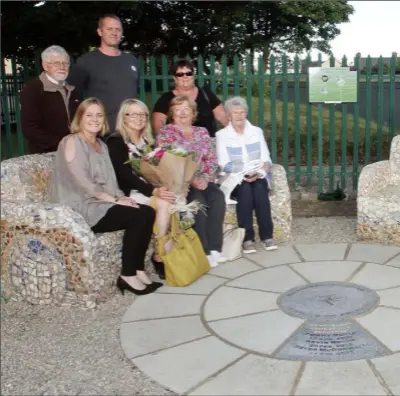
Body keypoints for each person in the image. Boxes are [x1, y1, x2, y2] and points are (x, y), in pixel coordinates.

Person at [49, 98, 162, 295]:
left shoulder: (101, 145)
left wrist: (121, 197)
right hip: (80, 206)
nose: (95, 119)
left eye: (99, 115)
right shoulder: (71, 141)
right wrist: (114, 200)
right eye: (89, 115)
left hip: (101, 203)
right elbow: (81, 182)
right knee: (138, 215)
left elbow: (111, 180)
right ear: (80, 118)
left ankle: (137, 270)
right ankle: (127, 275)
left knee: (146, 211)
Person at [106, 99, 176, 279]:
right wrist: (153, 191)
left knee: (176, 200)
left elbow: (159, 170)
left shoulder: (149, 143)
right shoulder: (116, 142)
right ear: (124, 117)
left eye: (142, 114)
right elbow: (124, 174)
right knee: (164, 204)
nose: (139, 118)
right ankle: (159, 256)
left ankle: (169, 253)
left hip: (150, 189)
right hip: (129, 193)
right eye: (133, 114)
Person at [156, 95, 226, 268]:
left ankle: (216, 248)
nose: (182, 113)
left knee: (217, 198)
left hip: (204, 179)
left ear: (193, 112)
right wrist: (192, 179)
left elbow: (211, 158)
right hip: (182, 184)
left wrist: (205, 178)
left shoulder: (202, 132)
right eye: (177, 109)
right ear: (172, 113)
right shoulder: (166, 133)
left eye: (186, 109)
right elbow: (167, 161)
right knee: (198, 203)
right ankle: (204, 251)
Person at [216, 96, 278, 254]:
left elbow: (266, 159)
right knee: (244, 190)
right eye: (235, 112)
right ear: (229, 115)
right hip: (235, 178)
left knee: (259, 188)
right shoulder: (222, 135)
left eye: (242, 112)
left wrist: (259, 172)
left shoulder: (256, 132)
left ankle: (267, 236)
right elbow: (224, 163)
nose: (239, 116)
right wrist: (244, 170)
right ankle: (247, 238)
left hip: (257, 175)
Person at [67, 14, 140, 130]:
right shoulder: (86, 62)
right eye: (109, 29)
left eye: (118, 29)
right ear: (100, 32)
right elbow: (72, 96)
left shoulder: (131, 61)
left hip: (130, 129)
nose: (114, 33)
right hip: (102, 131)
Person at [20, 45, 81, 154]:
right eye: (57, 63)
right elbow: (30, 128)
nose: (62, 67)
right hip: (45, 155)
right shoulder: (33, 90)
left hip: (74, 153)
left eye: (65, 63)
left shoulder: (73, 91)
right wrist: (61, 144)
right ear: (45, 65)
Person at [152, 59, 228, 139]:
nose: (185, 77)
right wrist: (163, 139)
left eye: (188, 73)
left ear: (193, 76)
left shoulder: (206, 94)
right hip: (177, 146)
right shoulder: (166, 98)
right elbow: (159, 122)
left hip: (207, 144)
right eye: (180, 74)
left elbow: (222, 116)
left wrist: (236, 133)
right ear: (175, 78)